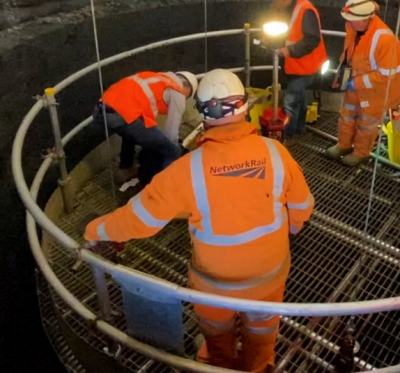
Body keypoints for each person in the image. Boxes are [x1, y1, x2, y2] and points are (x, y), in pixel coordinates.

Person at [83, 69, 313, 373]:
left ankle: (218, 364)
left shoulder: (187, 169)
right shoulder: (275, 152)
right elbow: (302, 206)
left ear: (203, 113)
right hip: (268, 277)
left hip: (213, 285)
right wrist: (290, 230)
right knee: (262, 333)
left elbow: (140, 218)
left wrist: (95, 230)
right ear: (244, 106)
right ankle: (258, 366)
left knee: (217, 337)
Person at [326, 0, 400, 167]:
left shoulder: (385, 39)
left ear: (367, 18)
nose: (349, 22)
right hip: (354, 85)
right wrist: (341, 76)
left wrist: (356, 83)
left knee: (366, 124)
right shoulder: (354, 28)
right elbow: (349, 55)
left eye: (352, 20)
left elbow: (385, 75)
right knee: (346, 116)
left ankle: (360, 153)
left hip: (374, 92)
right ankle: (343, 145)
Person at [95, 70, 198, 189]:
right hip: (121, 115)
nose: (185, 99)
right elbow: (171, 134)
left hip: (101, 111)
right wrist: (171, 148)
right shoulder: (177, 92)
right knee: (172, 150)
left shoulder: (157, 78)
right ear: (187, 88)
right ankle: (164, 189)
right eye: (188, 96)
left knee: (131, 133)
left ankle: (125, 169)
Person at [265, 0, 327, 139]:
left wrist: (290, 51)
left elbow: (312, 39)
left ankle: (288, 137)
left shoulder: (305, 10)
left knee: (290, 103)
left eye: (273, 1)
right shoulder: (291, 8)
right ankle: (299, 130)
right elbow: (291, 32)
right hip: (299, 66)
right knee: (299, 100)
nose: (272, 5)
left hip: (306, 67)